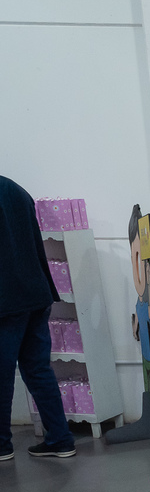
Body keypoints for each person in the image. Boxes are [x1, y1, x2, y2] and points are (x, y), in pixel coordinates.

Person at [0, 174, 74, 460]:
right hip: (36, 291)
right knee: (38, 369)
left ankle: (2, 445)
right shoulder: (17, 190)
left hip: (6, 300)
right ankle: (60, 439)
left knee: (2, 376)